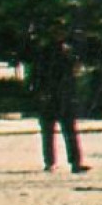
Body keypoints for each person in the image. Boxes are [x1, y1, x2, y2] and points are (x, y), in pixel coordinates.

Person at [35, 37, 91, 174]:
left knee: (63, 131)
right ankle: (59, 162)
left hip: (60, 97)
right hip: (55, 97)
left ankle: (67, 162)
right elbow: (39, 75)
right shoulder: (49, 52)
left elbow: (72, 75)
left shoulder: (63, 52)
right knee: (56, 131)